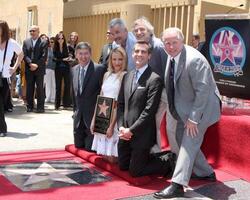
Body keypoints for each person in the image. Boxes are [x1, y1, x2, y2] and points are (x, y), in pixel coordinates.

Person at [154, 27, 221, 199]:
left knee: (189, 140)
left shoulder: (194, 60)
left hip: (204, 106)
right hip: (188, 104)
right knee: (178, 135)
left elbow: (203, 92)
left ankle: (177, 184)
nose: (170, 47)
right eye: (167, 43)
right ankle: (206, 172)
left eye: (174, 43)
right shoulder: (171, 56)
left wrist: (193, 118)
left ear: (182, 41)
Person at [117, 41, 173, 177]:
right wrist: (121, 128)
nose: (139, 54)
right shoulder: (127, 76)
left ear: (149, 56)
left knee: (135, 172)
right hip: (125, 132)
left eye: (143, 52)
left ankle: (168, 161)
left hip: (142, 134)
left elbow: (149, 110)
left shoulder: (154, 79)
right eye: (136, 51)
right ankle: (145, 158)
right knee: (123, 166)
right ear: (132, 54)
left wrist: (131, 130)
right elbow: (120, 104)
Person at [132, 16, 168, 153]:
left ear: (150, 30)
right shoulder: (142, 46)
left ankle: (157, 151)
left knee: (156, 122)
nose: (139, 32)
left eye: (142, 29)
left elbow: (167, 70)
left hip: (162, 92)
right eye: (136, 30)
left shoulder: (158, 46)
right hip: (150, 90)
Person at [91, 46, 127, 163]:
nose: (117, 62)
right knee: (104, 157)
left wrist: (112, 126)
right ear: (110, 60)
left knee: (112, 159)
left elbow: (120, 103)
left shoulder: (125, 76)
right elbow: (100, 98)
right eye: (114, 59)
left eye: (120, 59)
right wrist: (93, 121)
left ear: (124, 60)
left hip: (115, 116)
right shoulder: (107, 75)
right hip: (103, 115)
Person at [71, 42, 106, 151]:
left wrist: (101, 122)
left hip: (93, 121)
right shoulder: (73, 70)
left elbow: (103, 95)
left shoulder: (99, 69)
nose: (83, 57)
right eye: (80, 54)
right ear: (76, 55)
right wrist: (74, 113)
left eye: (86, 53)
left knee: (89, 150)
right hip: (78, 119)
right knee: (77, 148)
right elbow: (74, 94)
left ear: (90, 54)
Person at [0, 20, 23, 137]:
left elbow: (21, 54)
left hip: (3, 78)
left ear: (4, 29)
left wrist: (14, 68)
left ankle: (2, 129)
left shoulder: (12, 43)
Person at [22, 25, 48, 113]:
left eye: (34, 31)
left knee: (40, 88)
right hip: (29, 69)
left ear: (38, 32)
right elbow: (24, 55)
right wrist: (30, 64)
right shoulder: (26, 42)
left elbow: (44, 56)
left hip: (39, 69)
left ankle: (40, 107)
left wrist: (36, 65)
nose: (32, 32)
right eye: (30, 31)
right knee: (30, 88)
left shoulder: (44, 42)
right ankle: (30, 106)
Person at [53, 31, 71, 110]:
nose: (61, 40)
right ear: (57, 39)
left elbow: (71, 55)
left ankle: (66, 104)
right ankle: (57, 105)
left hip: (66, 68)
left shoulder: (67, 47)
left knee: (67, 85)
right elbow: (54, 59)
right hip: (58, 69)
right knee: (58, 86)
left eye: (62, 38)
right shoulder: (55, 47)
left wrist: (70, 58)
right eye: (59, 38)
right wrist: (63, 59)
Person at [44, 37, 56, 103]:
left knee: (54, 84)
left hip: (55, 69)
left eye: (52, 42)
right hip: (47, 68)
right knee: (48, 84)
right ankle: (48, 97)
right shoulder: (47, 49)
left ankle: (53, 98)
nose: (51, 43)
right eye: (50, 42)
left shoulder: (56, 50)